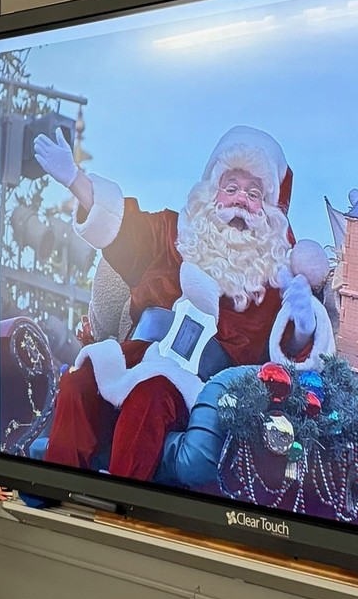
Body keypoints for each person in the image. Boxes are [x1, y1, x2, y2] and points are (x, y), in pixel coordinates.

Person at [32, 125, 335, 480]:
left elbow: (288, 356)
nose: (240, 201)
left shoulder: (273, 276)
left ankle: (119, 510)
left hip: (200, 386)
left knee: (150, 397)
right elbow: (124, 229)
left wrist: (302, 325)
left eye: (254, 194)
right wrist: (75, 180)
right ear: (213, 191)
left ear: (268, 208)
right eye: (231, 187)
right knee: (78, 383)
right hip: (140, 354)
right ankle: (56, 487)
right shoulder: (176, 234)